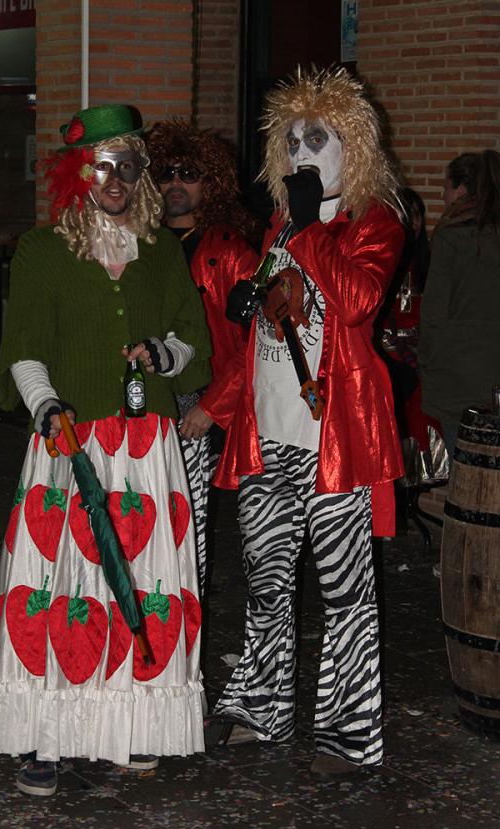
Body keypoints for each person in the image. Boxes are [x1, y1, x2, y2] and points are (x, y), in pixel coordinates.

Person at [0, 104, 212, 796]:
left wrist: (163, 353)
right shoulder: (44, 250)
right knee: (59, 586)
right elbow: (24, 350)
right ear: (79, 171)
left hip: (144, 450)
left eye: (129, 165)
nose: (118, 178)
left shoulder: (162, 252)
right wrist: (46, 404)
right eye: (105, 164)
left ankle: (128, 728)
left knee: (138, 585)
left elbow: (191, 339)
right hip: (67, 440)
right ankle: (43, 737)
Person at [204, 67, 405, 779]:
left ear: (351, 145)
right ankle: (262, 708)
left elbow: (354, 302)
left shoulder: (372, 222)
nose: (300, 153)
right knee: (265, 584)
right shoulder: (279, 227)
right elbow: (264, 334)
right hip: (268, 438)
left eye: (316, 138)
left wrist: (312, 226)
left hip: (336, 444)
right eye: (290, 141)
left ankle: (348, 734)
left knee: (346, 592)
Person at [146, 119, 259, 598]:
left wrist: (213, 406)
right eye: (166, 171)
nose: (175, 182)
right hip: (141, 400)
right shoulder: (140, 244)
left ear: (209, 181)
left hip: (195, 403)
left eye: (188, 172)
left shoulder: (230, 251)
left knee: (186, 525)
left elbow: (259, 340)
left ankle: (184, 627)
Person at [419, 150, 500, 462]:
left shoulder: (452, 236)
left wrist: (425, 364)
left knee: (468, 489)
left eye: (446, 188)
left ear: (462, 191)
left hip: (460, 383)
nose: (443, 195)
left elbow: (434, 315)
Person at [375, 188, 447, 491]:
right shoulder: (383, 255)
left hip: (421, 348)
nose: (414, 222)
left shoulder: (426, 260)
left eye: (418, 215)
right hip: (388, 348)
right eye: (408, 215)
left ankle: (419, 477)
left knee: (427, 406)